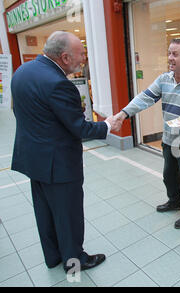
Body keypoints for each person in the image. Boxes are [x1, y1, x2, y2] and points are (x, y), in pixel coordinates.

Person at [10, 31, 120, 273]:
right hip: (58, 164)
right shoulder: (59, 84)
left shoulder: (22, 72)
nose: (84, 59)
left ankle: (53, 256)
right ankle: (75, 261)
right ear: (65, 57)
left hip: (33, 159)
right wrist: (107, 125)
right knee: (68, 215)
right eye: (81, 54)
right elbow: (79, 128)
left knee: (45, 212)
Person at [113, 38, 180, 229]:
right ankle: (174, 201)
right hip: (169, 139)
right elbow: (145, 98)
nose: (170, 58)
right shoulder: (164, 79)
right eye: (169, 53)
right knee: (169, 175)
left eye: (175, 54)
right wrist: (124, 113)